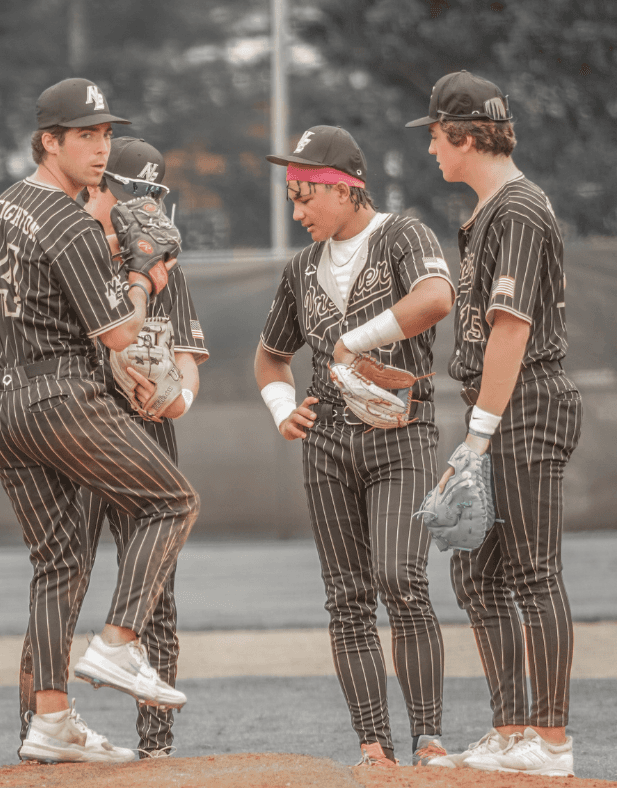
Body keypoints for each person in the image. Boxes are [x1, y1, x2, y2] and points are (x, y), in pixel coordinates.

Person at [0, 78, 199, 764]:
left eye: (105, 134)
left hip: (0, 405)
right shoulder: (69, 221)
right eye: (85, 135)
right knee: (174, 502)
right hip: (61, 398)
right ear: (50, 140)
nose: (100, 148)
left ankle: (49, 719)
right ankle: (118, 645)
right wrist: (140, 275)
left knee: (58, 564)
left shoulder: (3, 206)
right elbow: (120, 337)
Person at [253, 126, 455, 767]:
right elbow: (270, 357)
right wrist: (283, 407)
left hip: (402, 435)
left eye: (306, 193)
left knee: (401, 577)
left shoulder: (403, 235)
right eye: (292, 195)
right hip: (330, 444)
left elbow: (435, 298)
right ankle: (375, 748)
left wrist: (352, 342)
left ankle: (428, 739)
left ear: (346, 185)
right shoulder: (300, 269)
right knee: (347, 598)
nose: (297, 209)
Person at [407, 71, 582, 777]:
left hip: (526, 400)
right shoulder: (488, 212)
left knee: (533, 571)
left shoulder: (517, 208)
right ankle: (512, 732)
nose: (430, 152)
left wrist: (478, 436)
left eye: (436, 138)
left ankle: (553, 741)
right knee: (477, 574)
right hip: (498, 401)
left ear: (468, 135)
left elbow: (511, 330)